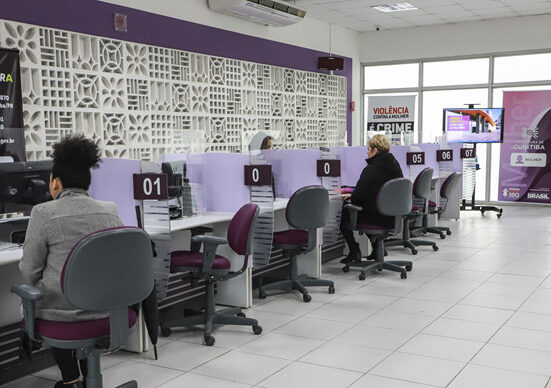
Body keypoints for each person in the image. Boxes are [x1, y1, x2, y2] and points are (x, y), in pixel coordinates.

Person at [19, 135, 123, 388]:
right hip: (111, 312)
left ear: (55, 183)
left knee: (45, 298)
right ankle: (88, 378)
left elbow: (29, 270)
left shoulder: (43, 212)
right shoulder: (110, 209)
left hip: (63, 316)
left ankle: (71, 380)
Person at [340, 134, 403, 264]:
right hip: (393, 217)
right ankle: (377, 248)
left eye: (368, 149)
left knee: (347, 210)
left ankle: (354, 251)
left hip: (377, 218)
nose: (367, 153)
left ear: (375, 150)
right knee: (368, 210)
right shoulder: (395, 165)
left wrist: (352, 196)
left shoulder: (372, 169)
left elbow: (358, 197)